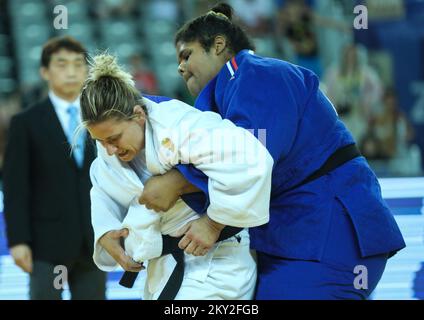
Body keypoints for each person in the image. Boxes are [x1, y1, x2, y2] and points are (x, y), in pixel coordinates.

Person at [133, 3, 406, 299]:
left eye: (187, 55)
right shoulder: (221, 99)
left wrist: (187, 195)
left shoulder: (256, 73)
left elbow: (250, 156)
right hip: (295, 236)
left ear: (219, 45)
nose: (180, 67)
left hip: (328, 231)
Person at [81, 54, 273, 300]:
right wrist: (106, 232)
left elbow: (252, 158)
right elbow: (101, 189)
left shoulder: (176, 124)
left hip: (215, 259)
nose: (109, 149)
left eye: (114, 139)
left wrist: (213, 223)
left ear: (138, 115)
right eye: (100, 141)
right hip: (163, 267)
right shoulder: (109, 146)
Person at [2, 36, 106, 300]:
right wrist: (18, 240)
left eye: (77, 64)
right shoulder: (26, 123)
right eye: (61, 64)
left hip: (94, 240)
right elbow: (15, 188)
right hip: (45, 244)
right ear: (45, 72)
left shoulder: (104, 119)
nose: (71, 71)